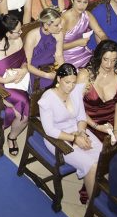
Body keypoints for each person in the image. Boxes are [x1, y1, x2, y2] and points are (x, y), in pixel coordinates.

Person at [39, 63, 103, 200]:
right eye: (67, 82)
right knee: (91, 165)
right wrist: (73, 139)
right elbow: (49, 130)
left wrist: (81, 132)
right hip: (57, 138)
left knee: (101, 155)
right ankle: (92, 205)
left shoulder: (75, 92)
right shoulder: (47, 98)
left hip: (76, 130)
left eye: (74, 82)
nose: (71, 86)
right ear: (58, 80)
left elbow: (81, 117)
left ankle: (92, 185)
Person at [0, 14, 32, 156]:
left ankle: (12, 135)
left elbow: (24, 60)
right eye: (18, 31)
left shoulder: (17, 40)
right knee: (24, 106)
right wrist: (5, 81)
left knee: (25, 106)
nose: (21, 33)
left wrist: (23, 70)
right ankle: (12, 136)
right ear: (7, 33)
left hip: (16, 81)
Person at [25, 6, 66, 91]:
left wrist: (63, 71)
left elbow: (59, 56)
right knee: (52, 89)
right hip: (35, 70)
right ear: (46, 25)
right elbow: (27, 65)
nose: (60, 27)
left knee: (66, 82)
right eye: (57, 25)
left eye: (60, 24)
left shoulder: (58, 33)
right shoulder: (32, 36)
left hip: (52, 66)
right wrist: (46, 75)